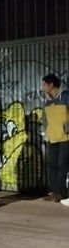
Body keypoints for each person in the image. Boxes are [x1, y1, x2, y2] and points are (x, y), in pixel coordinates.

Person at [40, 74, 69, 204]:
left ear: (51, 85)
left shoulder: (66, 97)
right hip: (52, 137)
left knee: (62, 165)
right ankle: (54, 191)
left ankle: (61, 192)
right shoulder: (47, 101)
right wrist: (47, 131)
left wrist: (67, 128)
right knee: (52, 164)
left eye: (44, 85)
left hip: (65, 137)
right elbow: (44, 118)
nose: (43, 88)